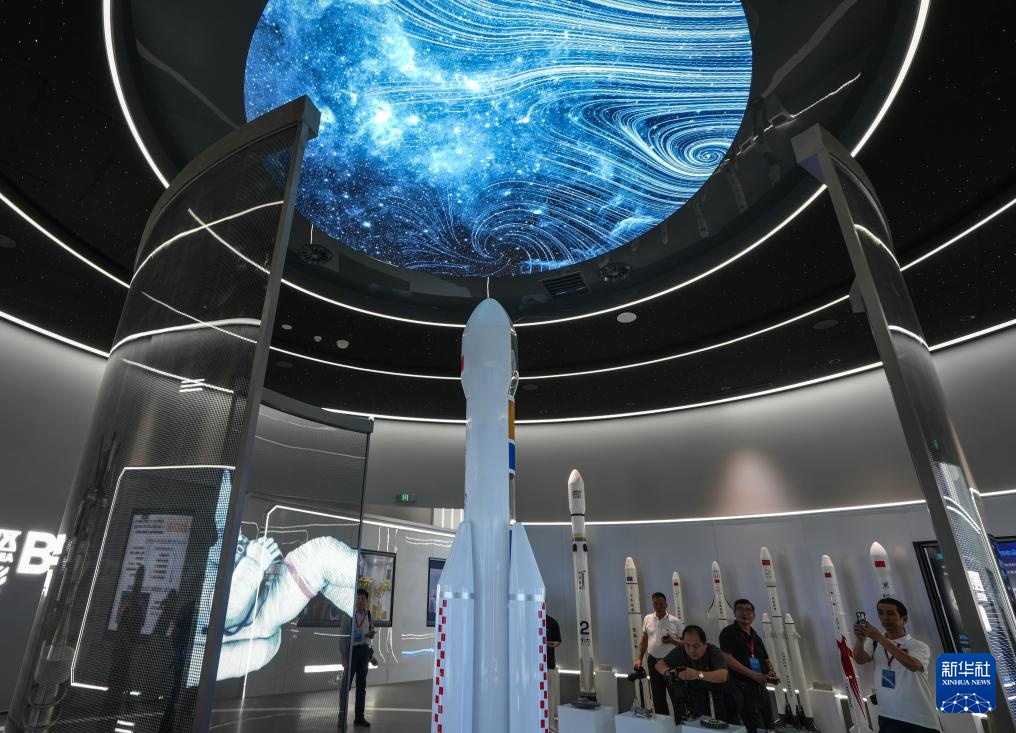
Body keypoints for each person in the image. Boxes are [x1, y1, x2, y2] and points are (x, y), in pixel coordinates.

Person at [852, 598, 941, 733]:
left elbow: (912, 665)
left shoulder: (918, 646)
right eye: (881, 613)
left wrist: (879, 637)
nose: (885, 618)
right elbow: (860, 659)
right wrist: (860, 640)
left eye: (890, 613)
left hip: (919, 719)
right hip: (888, 716)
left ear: (904, 619)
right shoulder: (874, 643)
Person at [655, 625, 736, 724]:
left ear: (705, 644)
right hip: (696, 704)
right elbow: (659, 665)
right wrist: (668, 672)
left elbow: (723, 676)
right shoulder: (681, 651)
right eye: (687, 645)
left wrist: (697, 674)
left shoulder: (714, 652)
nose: (691, 650)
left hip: (721, 702)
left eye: (696, 646)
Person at [719, 599, 778, 733]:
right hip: (743, 689)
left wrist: (771, 671)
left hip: (761, 689)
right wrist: (752, 675)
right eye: (740, 609)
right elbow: (727, 658)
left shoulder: (755, 636)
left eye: (748, 610)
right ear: (734, 613)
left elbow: (766, 659)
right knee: (755, 727)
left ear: (754, 615)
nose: (744, 613)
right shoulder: (728, 633)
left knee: (769, 726)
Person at [635, 591, 684, 719]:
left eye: (661, 603)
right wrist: (639, 658)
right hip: (653, 662)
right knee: (658, 697)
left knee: (676, 696)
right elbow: (644, 640)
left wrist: (673, 641)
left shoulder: (675, 621)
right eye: (655, 603)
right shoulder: (647, 619)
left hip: (671, 663)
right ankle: (663, 723)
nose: (658, 606)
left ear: (666, 604)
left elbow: (685, 644)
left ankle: (680, 723)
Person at [341, 588, 376, 728]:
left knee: (362, 686)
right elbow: (343, 636)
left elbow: (371, 629)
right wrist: (343, 656)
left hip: (364, 651)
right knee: (346, 685)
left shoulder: (368, 614)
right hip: (352, 652)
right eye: (358, 598)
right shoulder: (349, 615)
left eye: (363, 598)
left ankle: (359, 718)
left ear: (366, 600)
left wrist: (371, 633)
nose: (360, 601)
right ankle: (341, 717)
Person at [546, 615, 562, 732]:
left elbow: (557, 642)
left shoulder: (552, 622)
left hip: (548, 665)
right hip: (531, 668)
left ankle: (550, 724)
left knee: (550, 695)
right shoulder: (529, 620)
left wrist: (544, 643)